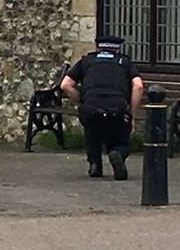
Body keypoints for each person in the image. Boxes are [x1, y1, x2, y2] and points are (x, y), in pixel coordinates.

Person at [61, 35, 145, 180]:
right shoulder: (124, 62)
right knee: (120, 139)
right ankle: (117, 153)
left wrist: (82, 100)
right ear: (117, 49)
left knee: (92, 134)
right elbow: (138, 86)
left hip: (92, 107)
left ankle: (94, 165)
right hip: (117, 108)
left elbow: (65, 85)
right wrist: (131, 112)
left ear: (98, 47)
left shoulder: (86, 61)